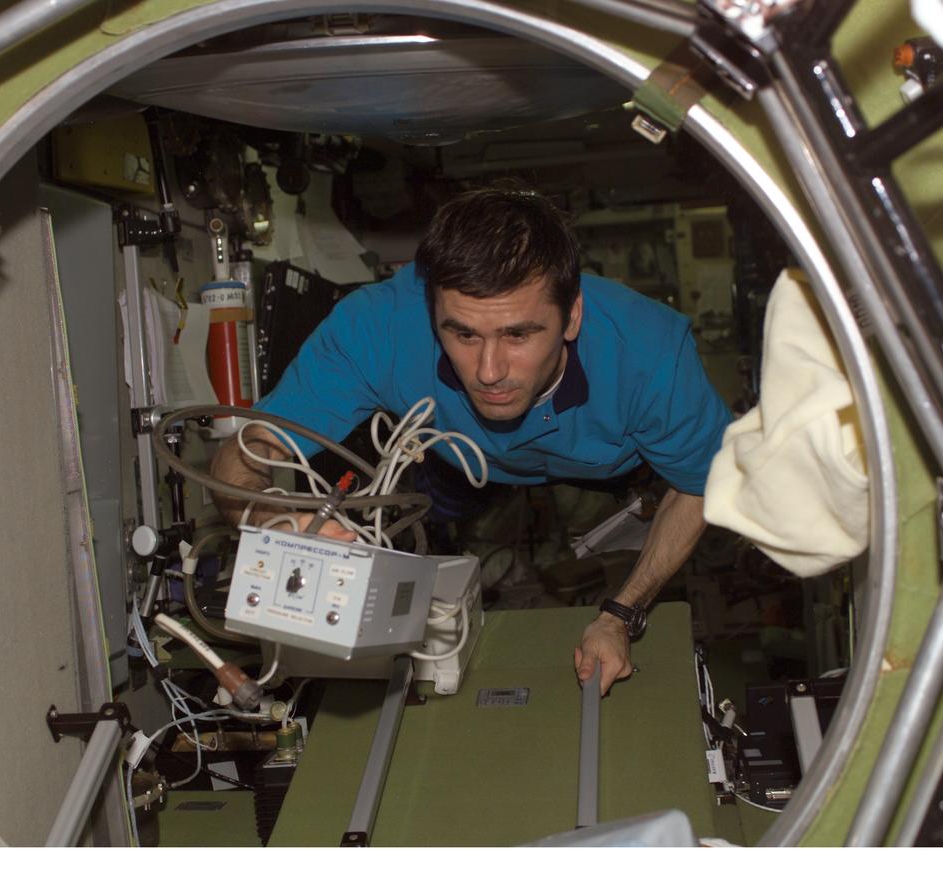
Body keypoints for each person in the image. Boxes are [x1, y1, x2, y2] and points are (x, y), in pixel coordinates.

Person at [211, 186, 731, 695]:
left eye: (518, 335)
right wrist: (273, 523)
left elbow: (700, 486)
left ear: (571, 316)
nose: (489, 371)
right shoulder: (378, 327)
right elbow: (244, 452)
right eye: (463, 334)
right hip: (456, 459)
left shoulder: (650, 356)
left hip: (612, 470)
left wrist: (621, 613)